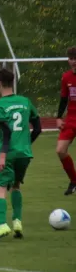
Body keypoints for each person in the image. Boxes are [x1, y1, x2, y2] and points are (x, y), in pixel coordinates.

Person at [0, 68, 41, 244]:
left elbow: (7, 132)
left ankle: (2, 225)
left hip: (8, 153)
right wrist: (25, 144)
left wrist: (2, 156)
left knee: (0, 188)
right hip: (24, 153)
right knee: (16, 185)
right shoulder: (25, 102)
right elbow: (38, 128)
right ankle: (17, 222)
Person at [56, 46, 76, 196]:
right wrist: (58, 117)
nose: (73, 61)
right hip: (71, 118)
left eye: (75, 58)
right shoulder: (66, 77)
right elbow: (64, 99)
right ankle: (74, 181)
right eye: (71, 58)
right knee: (60, 150)